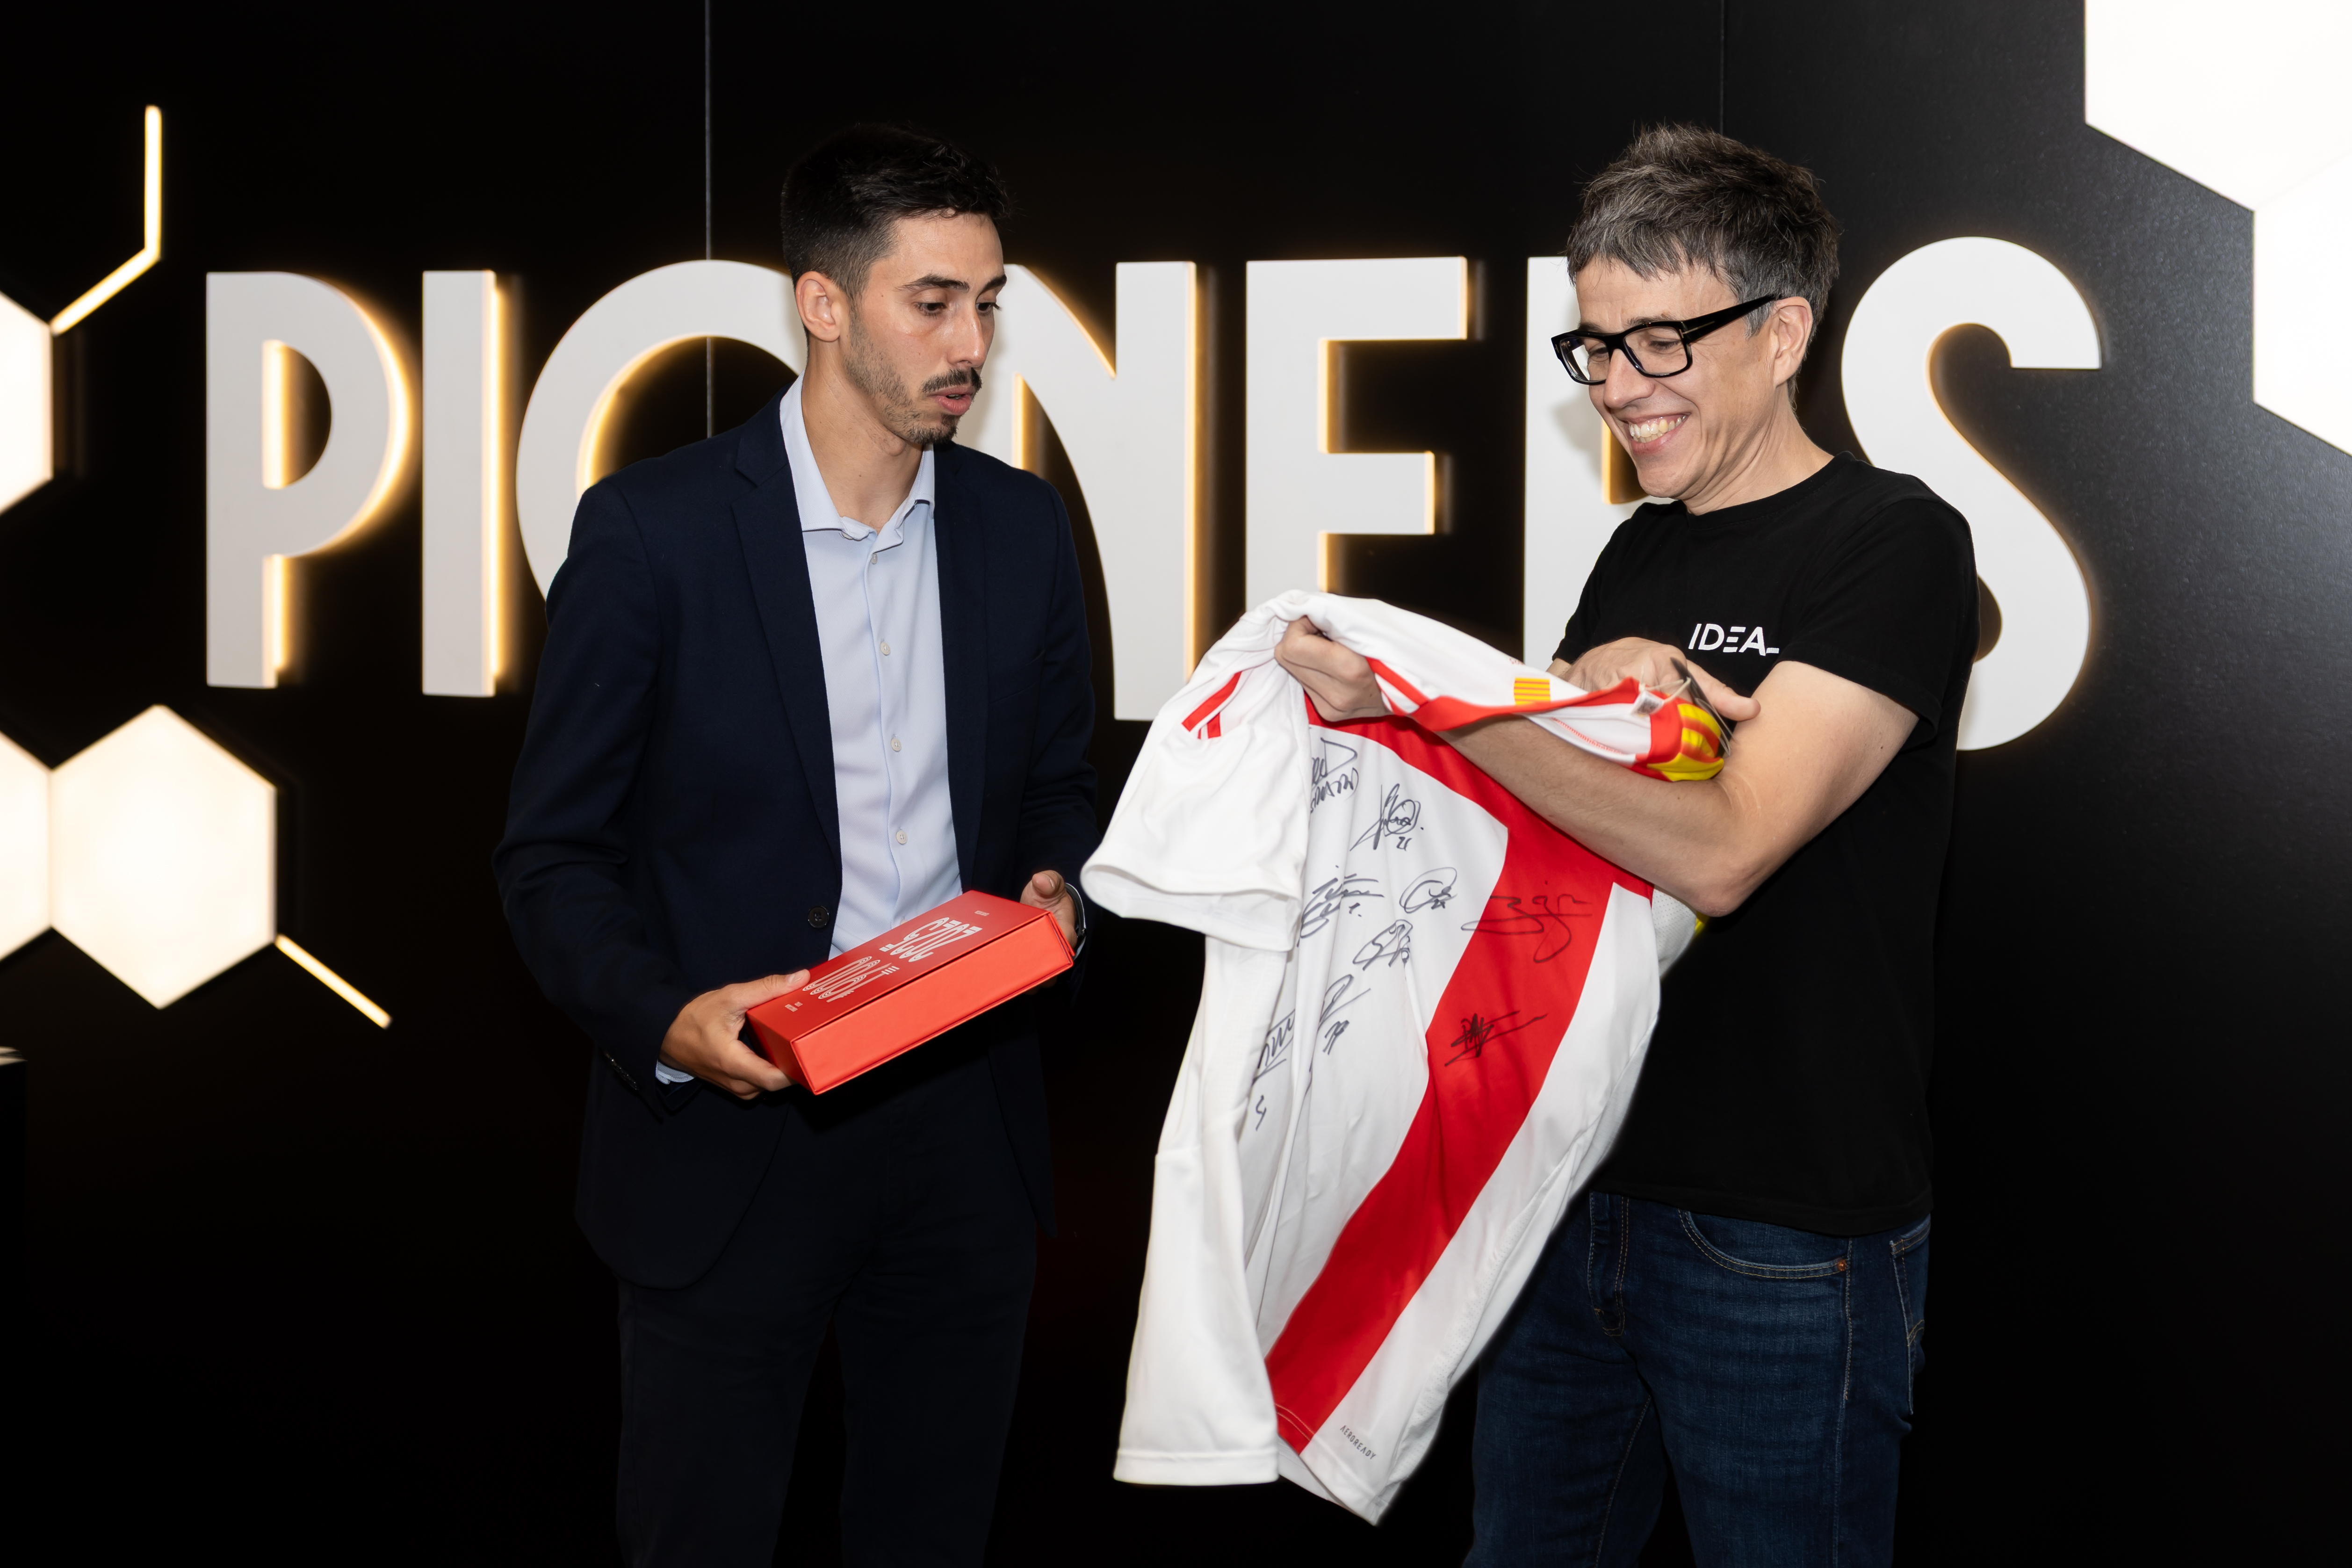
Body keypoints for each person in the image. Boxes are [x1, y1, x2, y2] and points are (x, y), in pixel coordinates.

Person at [1275, 125, 1976, 1565]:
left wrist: (1447, 701)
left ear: (1784, 333)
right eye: (1595, 347)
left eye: (1660, 343)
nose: (1617, 386)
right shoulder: (1642, 545)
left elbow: (1722, 851)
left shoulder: (1891, 539)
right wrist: (1570, 698)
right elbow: (1556, 839)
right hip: (1573, 1184)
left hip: (1780, 1227)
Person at [493, 125, 1098, 1568]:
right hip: (734, 1136)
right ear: (823, 302)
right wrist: (666, 1018)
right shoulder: (653, 533)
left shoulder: (1021, 530)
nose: (971, 343)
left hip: (963, 1131)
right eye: (931, 302)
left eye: (987, 303)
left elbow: (1061, 789)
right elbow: (551, 855)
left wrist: (1066, 891)